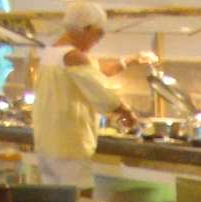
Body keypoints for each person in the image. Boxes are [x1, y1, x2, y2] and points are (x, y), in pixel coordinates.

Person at [31, 0, 136, 191]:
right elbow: (103, 93)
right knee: (80, 200)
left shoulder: (50, 52)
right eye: (98, 33)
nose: (99, 40)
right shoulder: (72, 56)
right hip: (69, 145)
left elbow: (94, 73)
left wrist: (129, 60)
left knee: (54, 200)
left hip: (47, 144)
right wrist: (125, 111)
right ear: (85, 29)